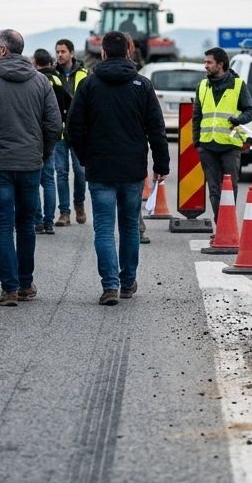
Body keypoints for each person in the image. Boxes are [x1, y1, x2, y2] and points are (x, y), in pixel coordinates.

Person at [68, 31, 169, 304]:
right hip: (132, 169)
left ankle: (109, 286)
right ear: (128, 52)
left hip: (100, 168)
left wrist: (85, 157)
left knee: (103, 228)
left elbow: (74, 128)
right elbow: (156, 130)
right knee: (128, 227)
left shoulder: (88, 85)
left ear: (102, 53)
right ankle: (127, 282)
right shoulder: (142, 85)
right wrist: (161, 165)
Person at [0, 29, 62, 306]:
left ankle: (8, 288)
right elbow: (53, 125)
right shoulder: (41, 82)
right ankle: (25, 283)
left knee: (3, 226)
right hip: (30, 163)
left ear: (4, 51)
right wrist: (41, 154)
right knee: (26, 224)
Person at [194, 47, 252, 218]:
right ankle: (220, 226)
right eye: (205, 61)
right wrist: (197, 143)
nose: (205, 65)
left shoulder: (237, 85)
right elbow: (197, 116)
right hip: (207, 146)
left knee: (229, 188)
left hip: (230, 145)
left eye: (209, 62)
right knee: (214, 191)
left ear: (220, 64)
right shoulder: (202, 86)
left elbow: (251, 111)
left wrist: (239, 119)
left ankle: (227, 227)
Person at [52, 39, 89, 227]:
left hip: (79, 131)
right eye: (57, 51)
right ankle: (64, 212)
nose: (59, 55)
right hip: (59, 131)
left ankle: (79, 203)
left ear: (72, 53)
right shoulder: (51, 75)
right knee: (61, 172)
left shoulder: (84, 74)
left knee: (81, 171)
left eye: (63, 51)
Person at [32, 48, 65, 235]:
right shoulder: (58, 80)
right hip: (52, 137)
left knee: (35, 181)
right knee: (49, 181)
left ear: (35, 62)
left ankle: (37, 221)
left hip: (35, 138)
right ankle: (49, 222)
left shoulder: (34, 81)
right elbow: (64, 106)